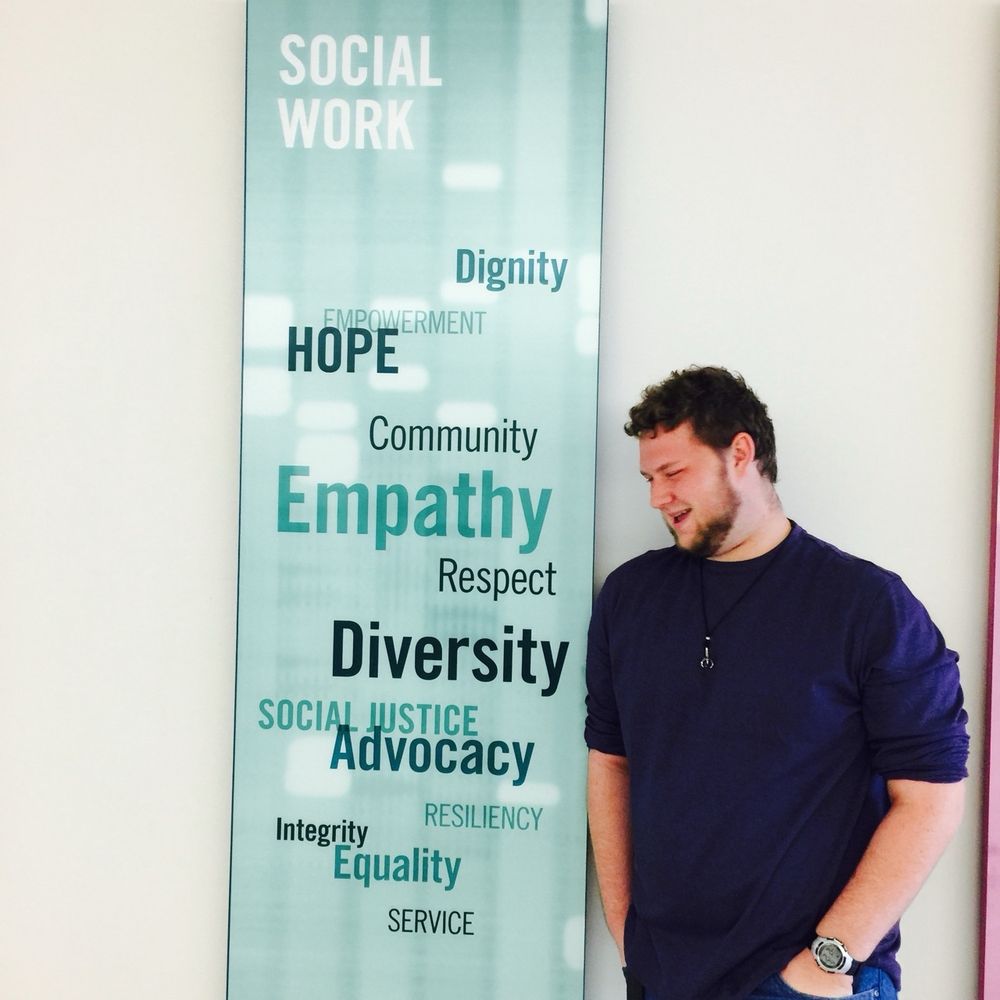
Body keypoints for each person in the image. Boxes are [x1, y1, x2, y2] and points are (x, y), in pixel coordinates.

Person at [585, 366, 969, 1000]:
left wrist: (829, 959)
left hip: (802, 978)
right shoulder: (630, 597)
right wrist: (627, 932)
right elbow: (610, 761)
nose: (657, 497)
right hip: (663, 974)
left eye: (674, 473)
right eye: (649, 479)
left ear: (741, 452)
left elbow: (931, 799)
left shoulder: (866, 605)